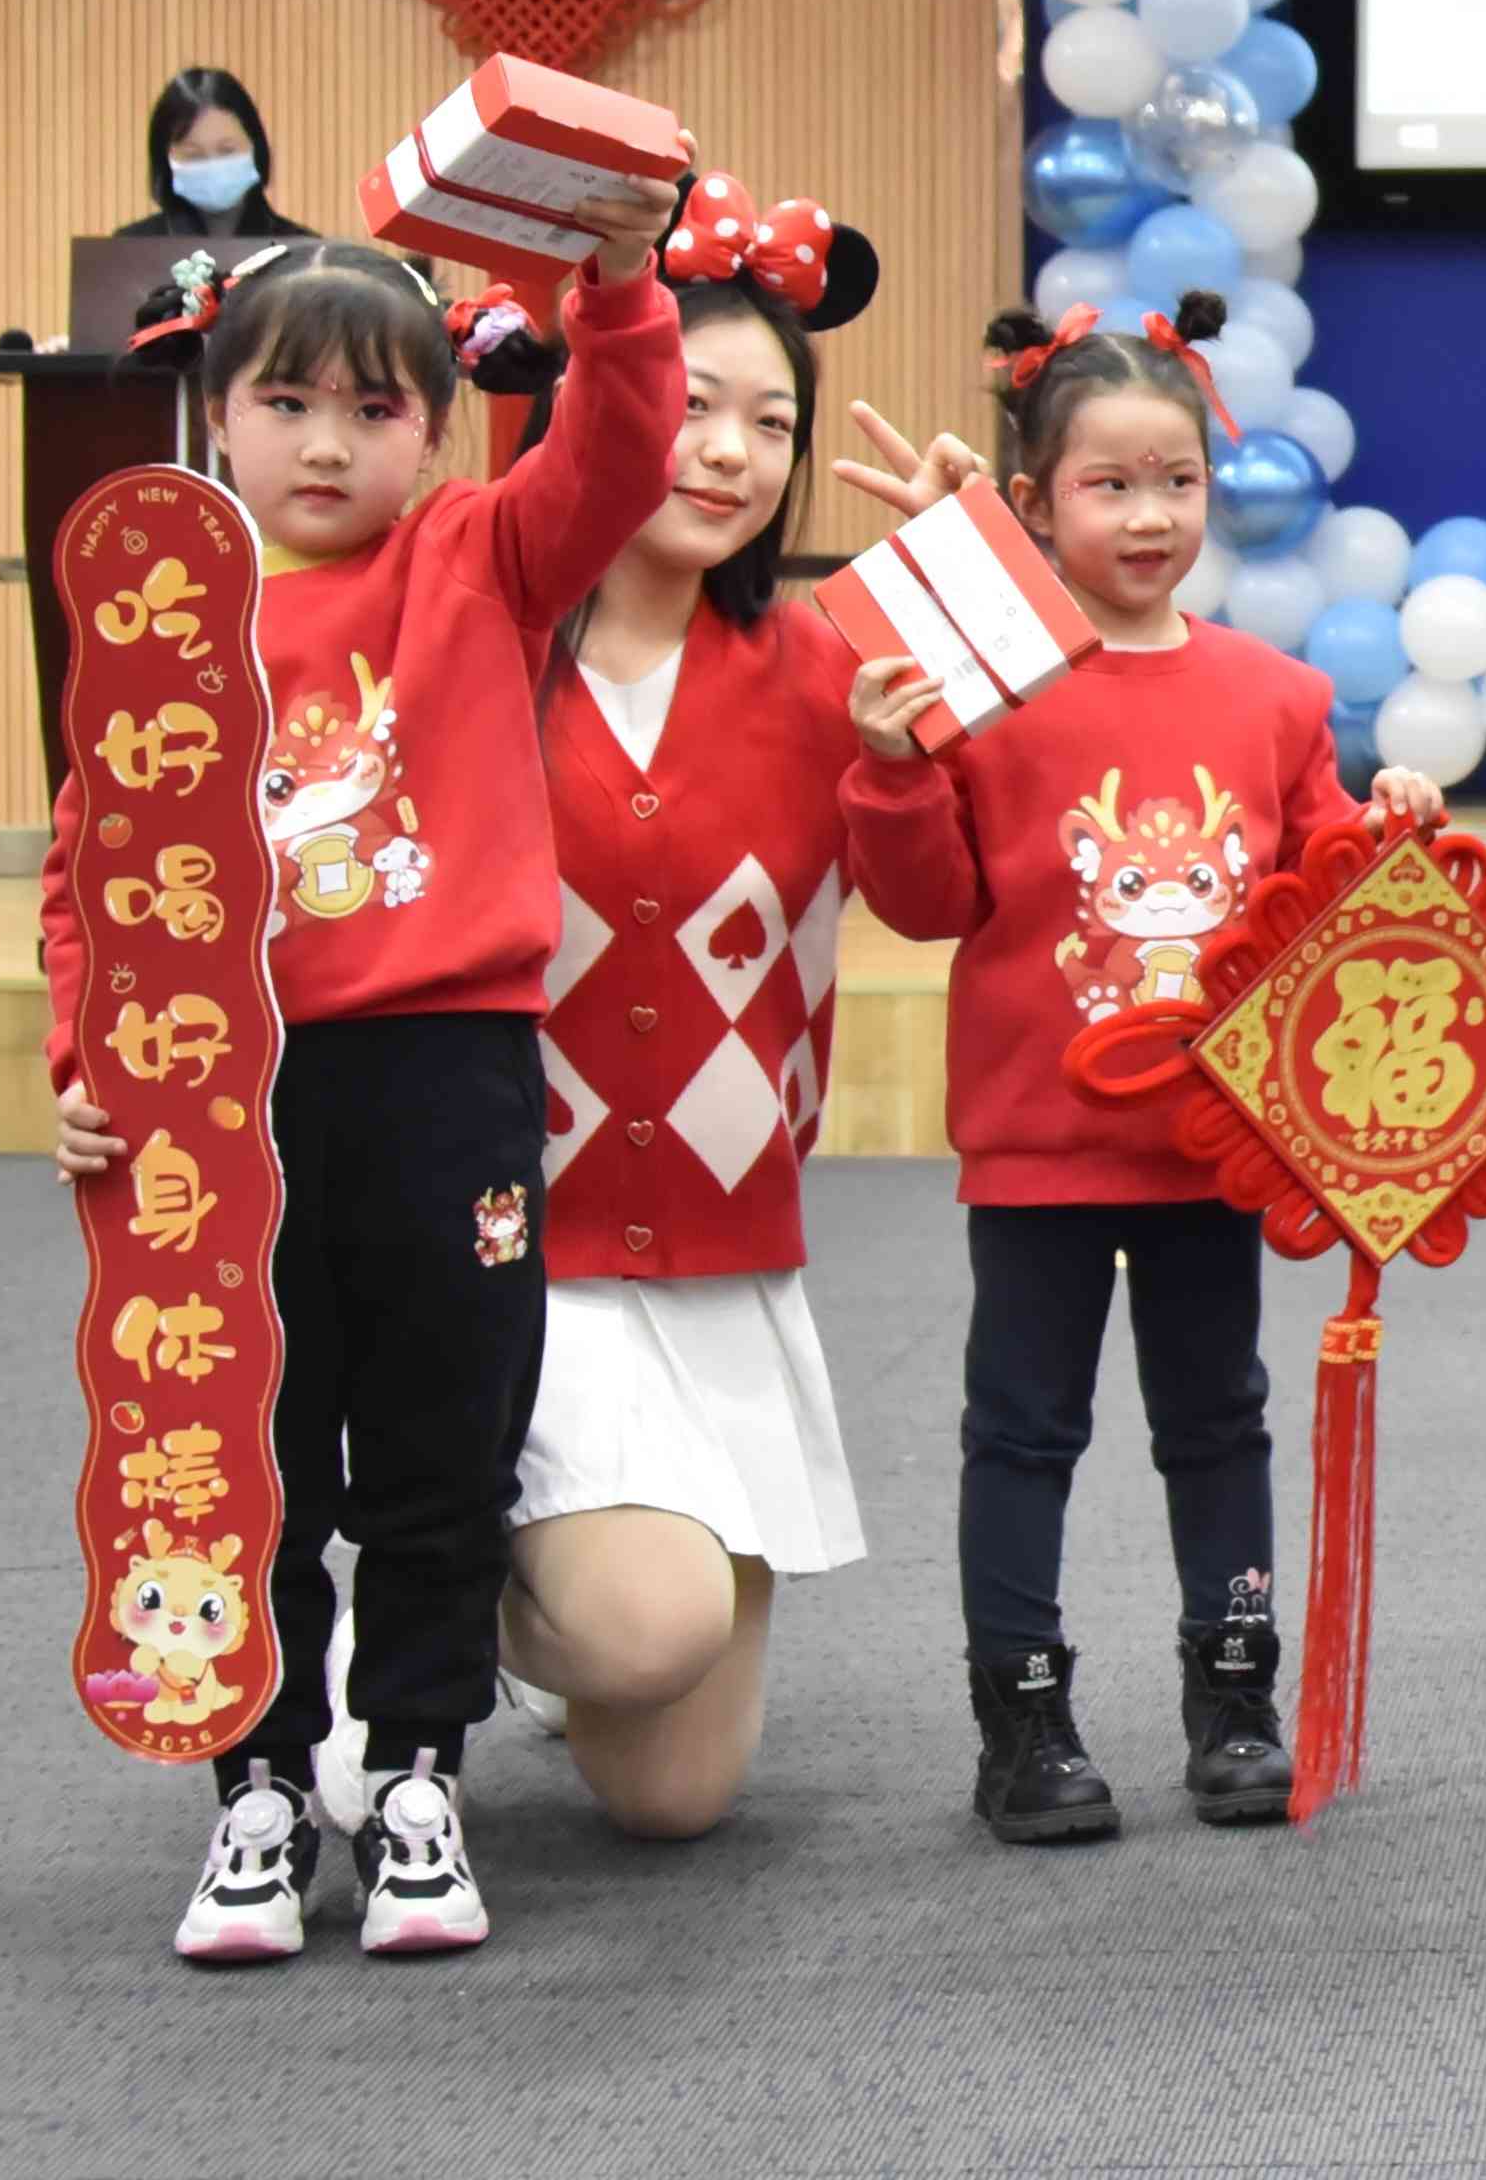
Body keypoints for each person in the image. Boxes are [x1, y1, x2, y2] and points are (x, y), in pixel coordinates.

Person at [46, 224, 689, 1964]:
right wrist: (85, 1061)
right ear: (217, 413)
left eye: (373, 408)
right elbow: (89, 864)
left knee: (438, 1443)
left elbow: (620, 446)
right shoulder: (165, 611)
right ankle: (256, 1789)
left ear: (434, 430)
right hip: (218, 1096)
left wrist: (616, 291)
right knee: (241, 1452)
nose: (326, 444)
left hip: (444, 1075)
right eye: (286, 403)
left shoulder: (477, 556)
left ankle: (414, 1774)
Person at [841, 296, 1448, 1850]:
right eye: (1108, 485)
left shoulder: (1274, 694)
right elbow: (927, 904)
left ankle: (1234, 1697)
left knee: (1218, 1423)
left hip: (1211, 1145)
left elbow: (1320, 893)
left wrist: (1386, 830)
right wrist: (892, 771)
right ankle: (1023, 1717)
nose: (1149, 515)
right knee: (1021, 1433)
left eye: (1176, 480)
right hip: (1038, 1146)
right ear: (1033, 502)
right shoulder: (982, 688)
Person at [467, 198, 909, 1844]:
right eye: (685, 403)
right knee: (648, 1631)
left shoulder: (833, 663)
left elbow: (944, 890)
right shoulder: (474, 643)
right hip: (512, 1247)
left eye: (770, 424)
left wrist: (932, 683)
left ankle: (530, 1597)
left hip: (725, 1247)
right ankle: (427, 1582)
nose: (727, 452)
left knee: (676, 1802)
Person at [131, 65, 319, 239]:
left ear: (256, 149)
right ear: (164, 159)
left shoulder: (303, 249)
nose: (212, 165)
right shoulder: (130, 248)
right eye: (194, 155)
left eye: (227, 150)